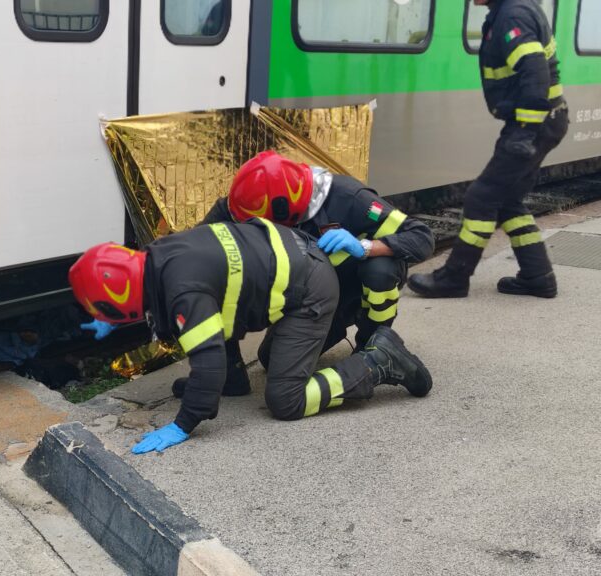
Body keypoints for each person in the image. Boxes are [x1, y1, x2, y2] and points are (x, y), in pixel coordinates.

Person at [70, 219, 432, 454]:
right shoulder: (160, 255)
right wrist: (118, 319)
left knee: (286, 398)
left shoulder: (184, 291)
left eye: (105, 310)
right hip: (299, 254)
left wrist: (184, 423)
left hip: (311, 291)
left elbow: (207, 361)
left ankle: (379, 361)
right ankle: (236, 379)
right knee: (270, 358)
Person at [408, 0, 568, 299]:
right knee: (508, 201)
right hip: (545, 121)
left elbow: (535, 73)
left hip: (534, 124)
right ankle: (538, 277)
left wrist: (525, 131)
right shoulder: (511, 10)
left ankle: (454, 278)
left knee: (481, 197)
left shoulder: (512, 15)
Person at [203, 150, 435, 353]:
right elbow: (196, 250)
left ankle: (376, 347)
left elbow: (421, 238)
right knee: (271, 360)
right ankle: (333, 326)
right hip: (316, 293)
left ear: (287, 214)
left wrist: (364, 248)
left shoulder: (348, 198)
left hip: (355, 280)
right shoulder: (246, 203)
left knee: (380, 270)